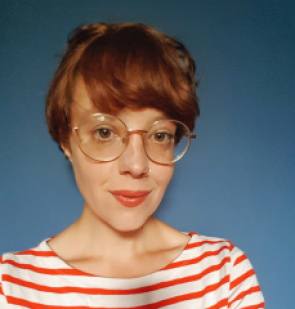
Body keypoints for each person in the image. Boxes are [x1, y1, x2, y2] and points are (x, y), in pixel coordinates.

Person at [0, 22, 264, 308]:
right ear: (66, 139)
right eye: (105, 133)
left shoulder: (223, 276)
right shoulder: (10, 287)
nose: (137, 165)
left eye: (159, 135)